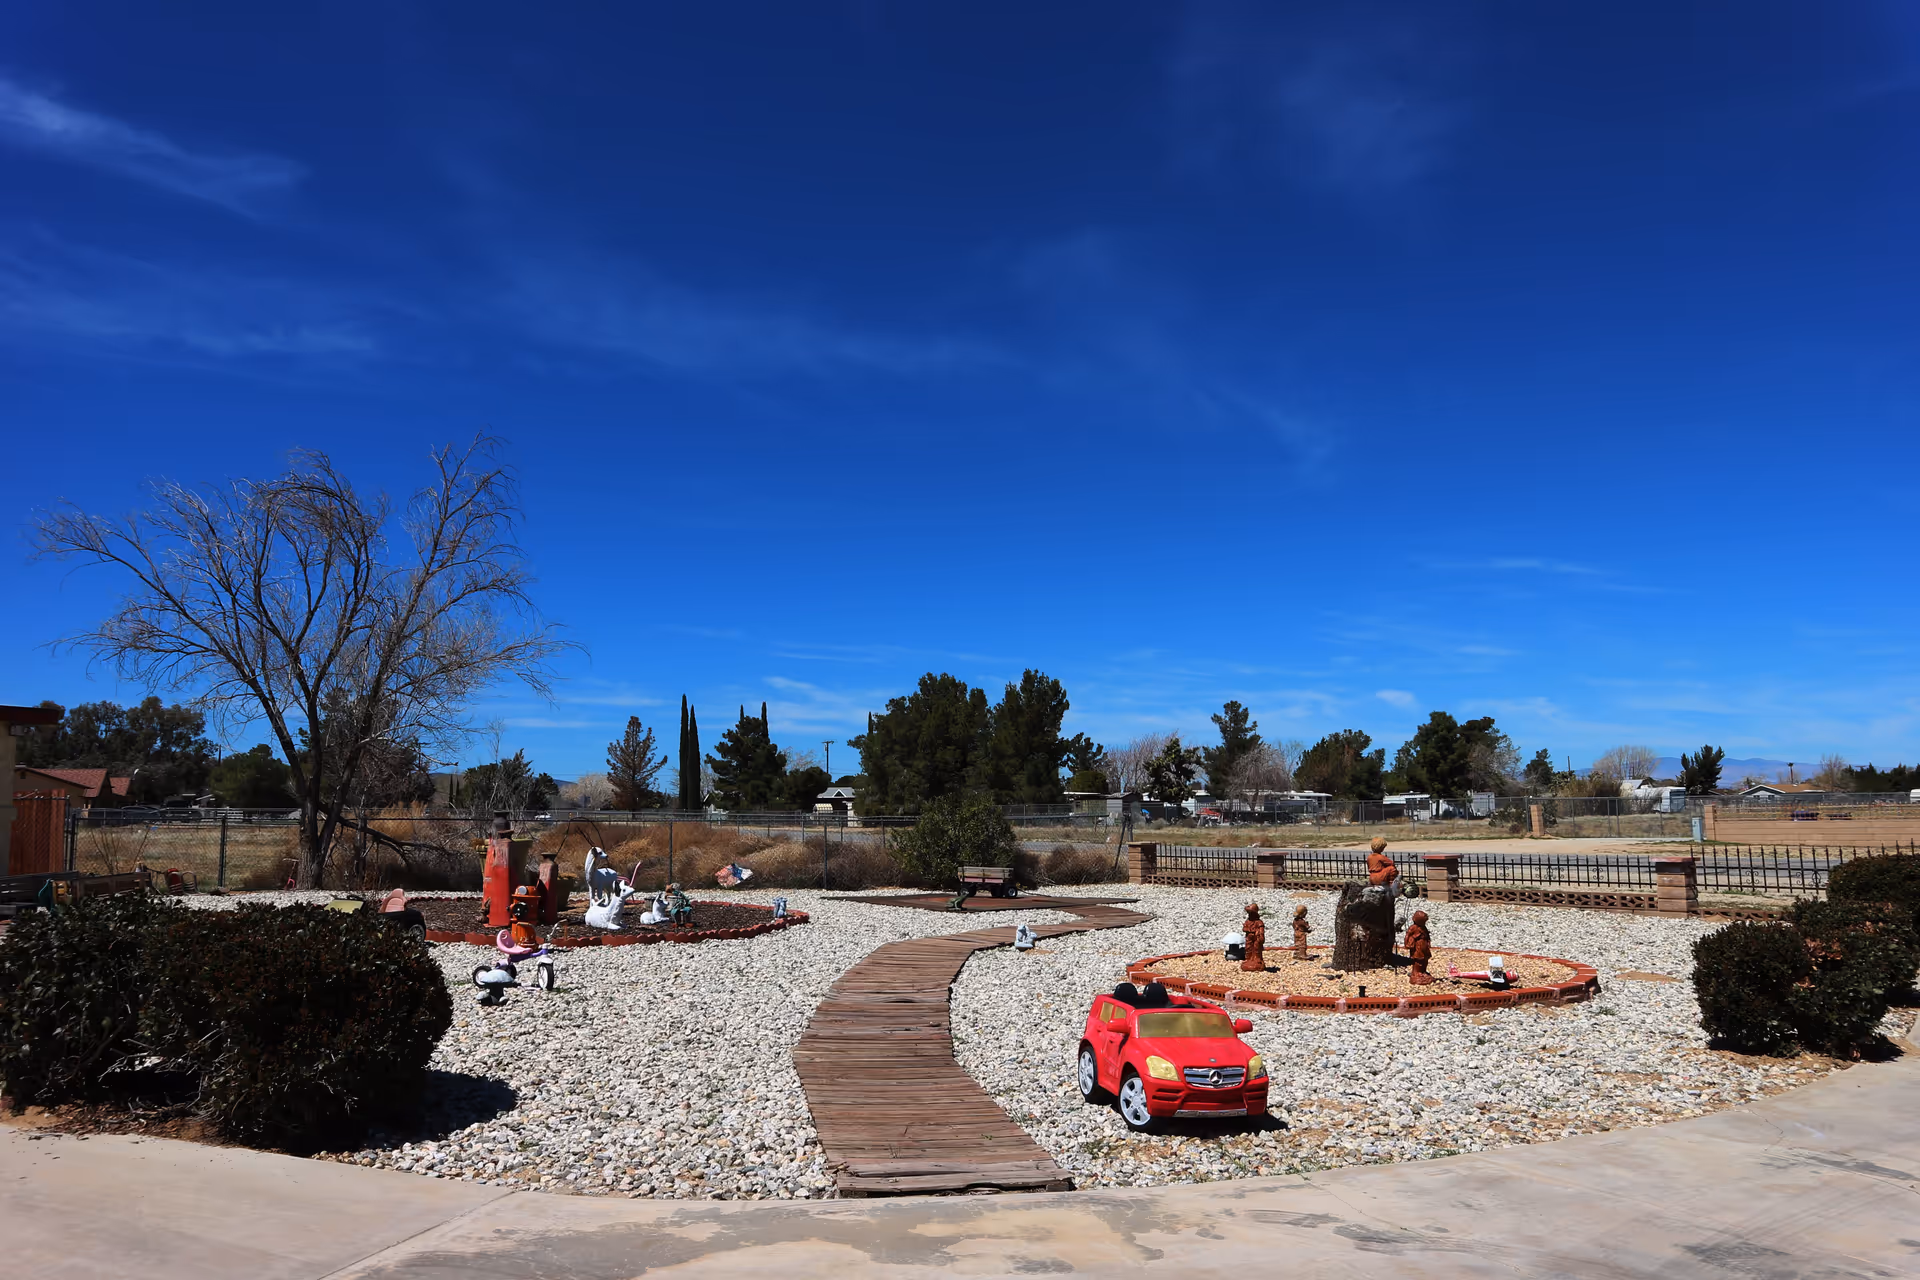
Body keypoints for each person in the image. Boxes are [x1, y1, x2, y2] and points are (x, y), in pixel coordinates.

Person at [1403, 909, 1433, 984]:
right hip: (1418, 946)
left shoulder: (1423, 928)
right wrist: (1407, 943)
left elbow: (1427, 935)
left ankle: (1423, 971)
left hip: (1424, 945)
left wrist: (1428, 942)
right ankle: (1417, 972)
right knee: (1418, 960)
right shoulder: (1413, 928)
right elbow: (1408, 935)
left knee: (1425, 960)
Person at [1241, 903, 1266, 972]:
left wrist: (1260, 935)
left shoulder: (1259, 922)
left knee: (1257, 948)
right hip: (1249, 938)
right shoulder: (1248, 922)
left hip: (1256, 938)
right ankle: (1248, 959)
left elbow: (1261, 930)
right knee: (1248, 948)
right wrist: (1249, 930)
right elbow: (1244, 928)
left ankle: (1258, 960)